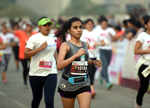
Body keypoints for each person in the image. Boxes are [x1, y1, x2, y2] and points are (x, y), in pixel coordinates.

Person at [57, 17, 101, 108]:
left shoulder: (85, 44)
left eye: (80, 27)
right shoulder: (65, 45)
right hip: (68, 84)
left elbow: (83, 61)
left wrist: (93, 62)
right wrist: (75, 56)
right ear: (69, 30)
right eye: (75, 27)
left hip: (83, 82)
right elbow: (59, 66)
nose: (79, 30)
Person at [25, 17, 57, 108]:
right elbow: (26, 54)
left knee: (49, 101)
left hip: (51, 72)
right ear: (39, 26)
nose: (47, 27)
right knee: (37, 98)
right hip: (35, 73)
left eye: (49, 25)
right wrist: (39, 49)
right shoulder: (34, 38)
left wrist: (58, 62)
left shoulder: (53, 37)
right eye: (44, 25)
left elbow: (54, 51)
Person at [80, 18, 99, 98]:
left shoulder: (96, 33)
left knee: (92, 73)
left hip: (94, 55)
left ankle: (87, 88)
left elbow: (103, 42)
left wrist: (98, 43)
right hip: (85, 56)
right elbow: (78, 43)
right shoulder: (82, 33)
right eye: (88, 24)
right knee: (88, 72)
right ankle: (91, 89)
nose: (90, 25)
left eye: (91, 24)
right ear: (85, 25)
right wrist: (84, 45)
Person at [134, 15, 150, 108]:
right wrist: (147, 51)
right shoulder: (142, 36)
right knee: (143, 88)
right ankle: (138, 105)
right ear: (146, 25)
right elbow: (135, 51)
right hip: (145, 65)